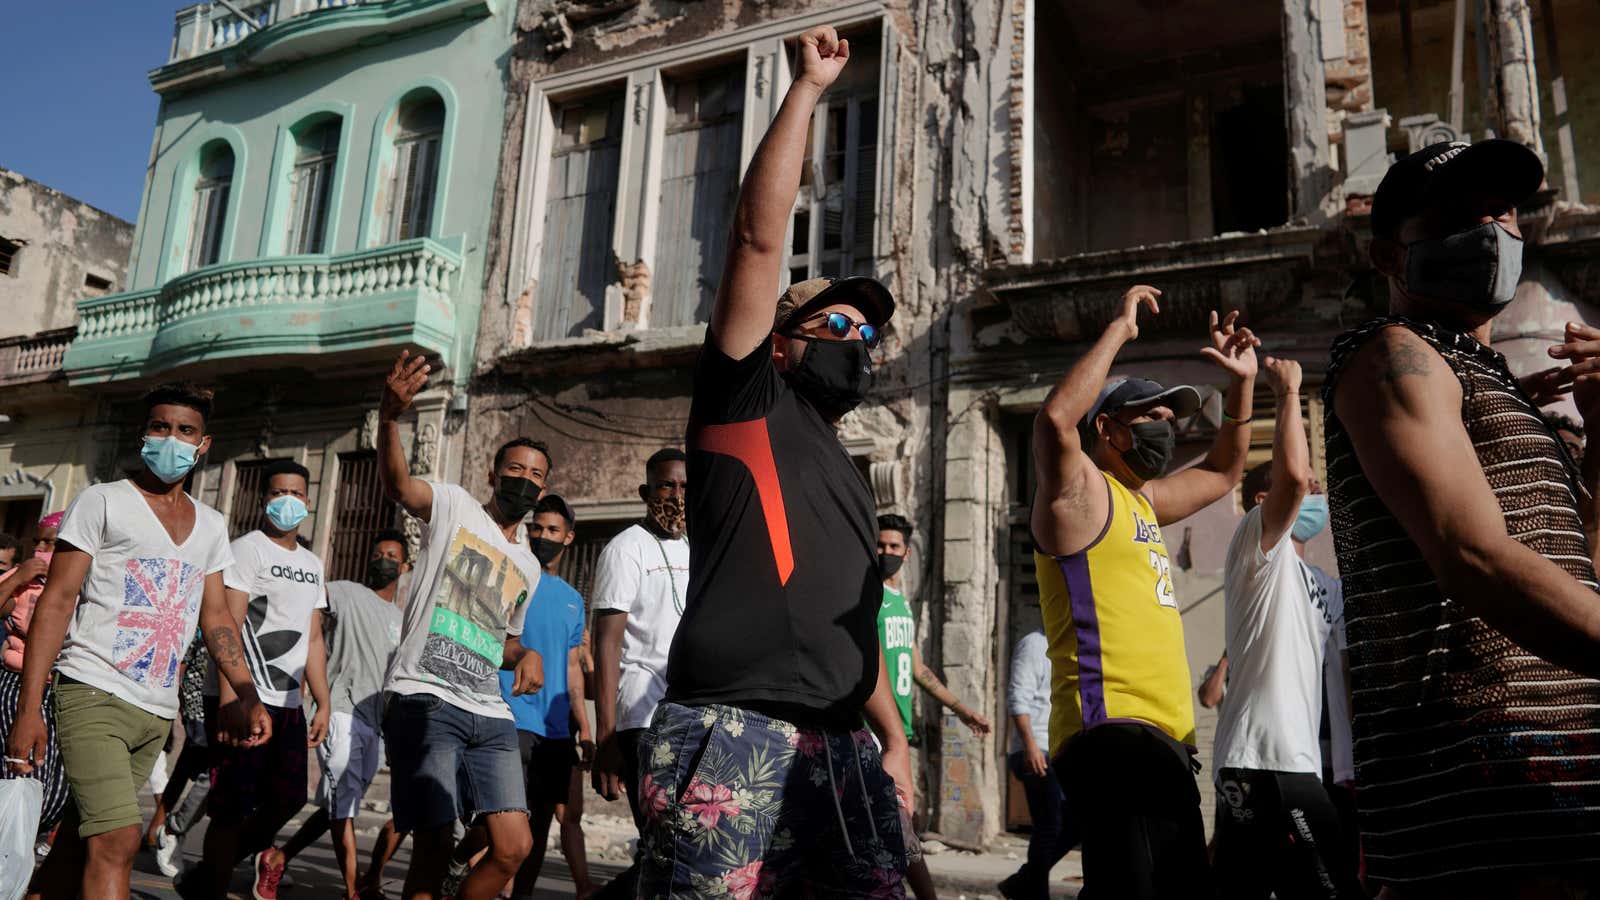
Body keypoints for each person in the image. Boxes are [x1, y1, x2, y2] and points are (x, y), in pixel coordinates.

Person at [641, 25, 909, 896]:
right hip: (734, 730)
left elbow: (849, 626)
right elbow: (758, 243)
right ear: (783, 346)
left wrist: (894, 737)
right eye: (835, 326)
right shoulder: (743, 403)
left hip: (842, 749)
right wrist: (807, 91)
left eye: (868, 335)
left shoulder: (848, 472)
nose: (857, 343)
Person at [1323, 138, 1600, 894]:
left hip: (1568, 797)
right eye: (1457, 218)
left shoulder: (1504, 390)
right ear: (1388, 257)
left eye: (1502, 211)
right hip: (1472, 810)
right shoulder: (1390, 355)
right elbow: (1470, 553)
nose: (1490, 231)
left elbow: (1578, 567)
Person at [1029, 284, 1259, 897]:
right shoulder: (1079, 493)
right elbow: (1055, 419)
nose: (1165, 429)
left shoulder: (1143, 502)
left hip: (1165, 742)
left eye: (1169, 419)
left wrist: (1241, 385)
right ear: (1106, 427)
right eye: (1149, 418)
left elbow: (1222, 471)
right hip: (1113, 736)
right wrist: (1121, 330)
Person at [6, 382, 271, 900]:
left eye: (185, 430)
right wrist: (29, 708)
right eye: (160, 427)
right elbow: (57, 602)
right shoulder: (102, 501)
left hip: (154, 712)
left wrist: (246, 692)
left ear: (203, 445)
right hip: (91, 691)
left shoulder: (213, 526)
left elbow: (216, 616)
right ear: (143, 435)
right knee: (120, 842)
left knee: (82, 846)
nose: (171, 439)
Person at [375, 351, 545, 900]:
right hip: (426, 697)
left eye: (536, 476)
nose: (524, 481)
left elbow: (504, 642)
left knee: (514, 846)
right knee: (431, 844)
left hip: (489, 712)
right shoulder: (455, 506)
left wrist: (527, 657)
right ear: (494, 475)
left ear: (543, 491)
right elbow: (401, 485)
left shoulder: (530, 565)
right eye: (516, 470)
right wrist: (388, 417)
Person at [1209, 358, 1362, 899]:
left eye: (1320, 488)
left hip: (1301, 764)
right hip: (1256, 761)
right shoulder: (1256, 550)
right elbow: (1293, 477)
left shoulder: (1325, 585)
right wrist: (1289, 391)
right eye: (1306, 490)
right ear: (1261, 504)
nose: (1313, 493)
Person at [181, 459, 332, 898]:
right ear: (264, 500)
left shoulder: (312, 562)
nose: (289, 501)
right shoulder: (247, 549)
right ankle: (211, 885)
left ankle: (206, 876)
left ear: (309, 501)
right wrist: (233, 700)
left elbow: (314, 637)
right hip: (244, 698)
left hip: (287, 702)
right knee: (231, 806)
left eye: (297, 493)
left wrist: (321, 701)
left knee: (290, 799)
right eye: (279, 492)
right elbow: (228, 621)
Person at [448, 493, 594, 899]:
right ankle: (460, 859)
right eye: (537, 528)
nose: (542, 535)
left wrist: (583, 727)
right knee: (495, 821)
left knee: (539, 826)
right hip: (507, 716)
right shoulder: (512, 572)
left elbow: (570, 669)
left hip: (554, 728)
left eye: (552, 530)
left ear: (568, 538)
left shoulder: (572, 599)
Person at [269, 529, 410, 898]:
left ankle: (277, 858)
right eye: (379, 554)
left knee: (338, 805)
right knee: (344, 807)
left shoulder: (402, 619)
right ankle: (353, 890)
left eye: (393, 556)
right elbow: (307, 598)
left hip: (374, 723)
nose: (384, 561)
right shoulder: (347, 591)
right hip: (340, 712)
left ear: (405, 565)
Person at [876, 512, 989, 900]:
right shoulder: (868, 598)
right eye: (880, 544)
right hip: (876, 734)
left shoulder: (900, 604)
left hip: (901, 733)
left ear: (906, 553)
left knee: (895, 826)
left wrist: (960, 708)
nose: (885, 552)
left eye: (893, 546)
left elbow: (917, 667)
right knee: (900, 826)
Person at [590, 448, 688, 899]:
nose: (677, 496)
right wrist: (606, 736)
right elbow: (607, 642)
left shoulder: (698, 547)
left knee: (677, 853)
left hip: (692, 718)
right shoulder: (625, 548)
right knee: (663, 850)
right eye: (667, 485)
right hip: (643, 722)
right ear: (646, 492)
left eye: (686, 486)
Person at [0, 515, 65, 849]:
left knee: (50, 782)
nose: (40, 548)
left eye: (50, 542)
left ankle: (31, 835)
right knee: (16, 767)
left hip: (62, 690)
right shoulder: (23, 579)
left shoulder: (79, 582)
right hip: (15, 686)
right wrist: (18, 578)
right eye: (37, 541)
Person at [998, 629, 1074, 900]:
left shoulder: (1069, 645)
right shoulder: (1034, 644)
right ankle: (1032, 891)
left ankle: (1022, 882)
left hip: (1059, 750)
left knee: (1074, 822)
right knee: (1049, 825)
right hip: (1036, 748)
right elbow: (1018, 697)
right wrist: (1029, 744)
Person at [144, 633, 214, 877]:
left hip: (221, 702)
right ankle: (170, 829)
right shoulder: (207, 612)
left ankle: (158, 829)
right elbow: (181, 662)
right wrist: (174, 701)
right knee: (207, 769)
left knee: (187, 766)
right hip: (198, 700)